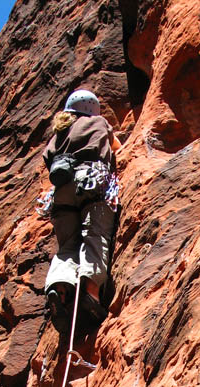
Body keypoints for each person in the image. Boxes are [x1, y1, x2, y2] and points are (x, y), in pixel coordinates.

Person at [42, 89, 121, 333]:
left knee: (67, 245)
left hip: (61, 193)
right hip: (90, 183)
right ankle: (91, 293)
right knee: (94, 235)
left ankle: (61, 289)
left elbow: (48, 160)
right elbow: (116, 145)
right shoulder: (97, 122)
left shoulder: (57, 133)